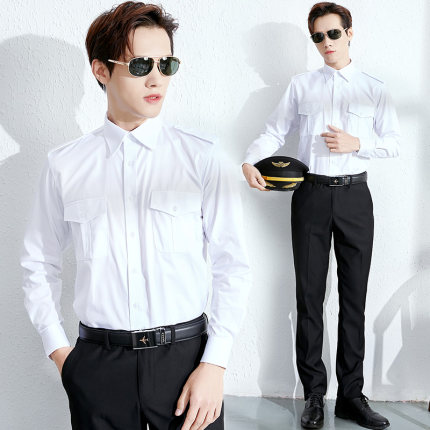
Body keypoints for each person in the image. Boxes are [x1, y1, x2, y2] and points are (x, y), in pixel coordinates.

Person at [20, 2, 251, 429]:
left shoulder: (202, 157)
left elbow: (232, 264)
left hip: (186, 363)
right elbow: (38, 263)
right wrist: (63, 356)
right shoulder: (64, 165)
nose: (156, 78)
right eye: (141, 64)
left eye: (167, 64)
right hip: (98, 366)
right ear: (101, 71)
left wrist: (215, 364)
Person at [242, 2, 399, 429]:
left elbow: (394, 142)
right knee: (309, 299)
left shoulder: (373, 87)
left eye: (333, 33)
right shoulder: (301, 86)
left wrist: (357, 143)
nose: (326, 43)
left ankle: (351, 396)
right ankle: (314, 395)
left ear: (349, 33)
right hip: (310, 196)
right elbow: (274, 131)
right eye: (317, 36)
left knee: (354, 300)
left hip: (355, 197)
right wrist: (250, 160)